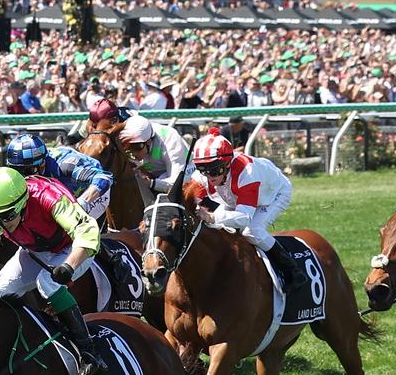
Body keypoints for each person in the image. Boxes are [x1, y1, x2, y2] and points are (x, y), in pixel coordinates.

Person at [0, 166, 108, 375]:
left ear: (24, 203)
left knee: (47, 282)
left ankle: (89, 352)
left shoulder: (47, 196)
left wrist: (69, 265)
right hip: (35, 250)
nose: (3, 224)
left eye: (7, 217)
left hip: (75, 247)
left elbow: (87, 233)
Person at [4, 133, 130, 284]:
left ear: (42, 164)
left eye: (28, 171)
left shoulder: (64, 165)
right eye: (17, 171)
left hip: (90, 193)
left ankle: (112, 258)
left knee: (70, 221)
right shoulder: (33, 168)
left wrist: (81, 202)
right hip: (63, 195)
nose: (23, 178)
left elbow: (105, 178)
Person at [189, 129, 304, 292]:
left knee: (252, 231)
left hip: (272, 195)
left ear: (227, 164)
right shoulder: (207, 172)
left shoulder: (247, 172)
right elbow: (187, 198)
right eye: (203, 170)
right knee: (218, 228)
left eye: (215, 170)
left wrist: (212, 217)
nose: (209, 177)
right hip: (236, 195)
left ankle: (292, 270)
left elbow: (244, 218)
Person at [117, 115, 189, 207]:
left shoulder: (171, 140)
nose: (132, 153)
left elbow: (176, 184)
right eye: (127, 148)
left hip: (183, 174)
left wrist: (151, 183)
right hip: (153, 174)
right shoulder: (133, 142)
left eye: (136, 147)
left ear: (149, 141)